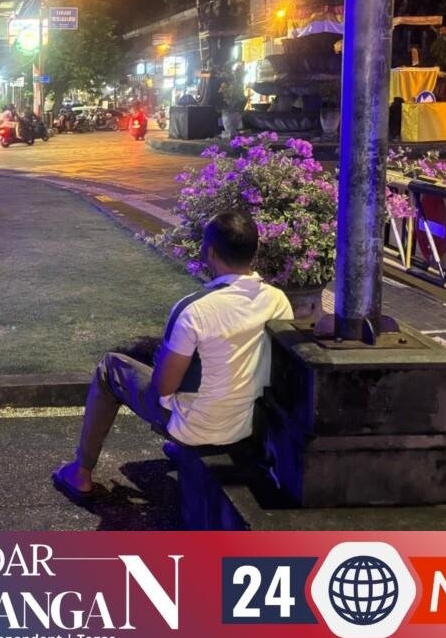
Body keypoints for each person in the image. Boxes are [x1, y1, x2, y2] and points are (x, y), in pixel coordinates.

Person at [52, 211, 293, 500]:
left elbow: (163, 388)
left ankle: (80, 473)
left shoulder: (195, 309)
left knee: (110, 368)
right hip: (246, 425)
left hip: (199, 429)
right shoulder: (278, 300)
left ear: (210, 252)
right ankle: (183, 449)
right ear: (254, 250)